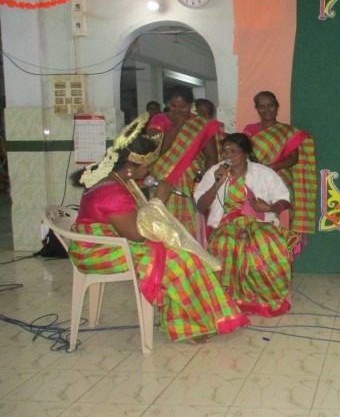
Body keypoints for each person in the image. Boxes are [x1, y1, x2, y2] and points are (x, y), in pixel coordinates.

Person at [69, 114, 249, 343]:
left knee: (182, 252)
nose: (150, 171)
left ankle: (198, 320)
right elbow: (135, 234)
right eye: (147, 167)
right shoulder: (112, 192)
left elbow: (135, 224)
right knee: (178, 261)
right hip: (97, 250)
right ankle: (189, 326)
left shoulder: (118, 179)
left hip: (112, 241)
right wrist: (159, 200)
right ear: (129, 168)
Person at [194, 133, 298, 317]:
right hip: (226, 222)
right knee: (226, 243)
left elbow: (284, 200)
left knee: (266, 242)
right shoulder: (215, 172)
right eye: (225, 151)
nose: (228, 156)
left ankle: (266, 297)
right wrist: (217, 184)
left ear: (246, 154)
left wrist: (270, 207)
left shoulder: (263, 173)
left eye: (233, 152)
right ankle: (227, 301)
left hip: (258, 221)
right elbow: (201, 206)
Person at [147, 85, 220, 240]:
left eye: (183, 107)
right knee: (162, 217)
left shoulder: (200, 124)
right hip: (162, 179)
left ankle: (189, 250)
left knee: (190, 219)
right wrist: (177, 127)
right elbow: (156, 150)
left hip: (190, 181)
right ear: (168, 104)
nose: (178, 111)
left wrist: (206, 182)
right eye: (174, 106)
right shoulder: (160, 120)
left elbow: (211, 157)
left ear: (190, 105)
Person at [242, 91, 317, 236]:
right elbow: (244, 155)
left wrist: (270, 168)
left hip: (281, 178)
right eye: (262, 106)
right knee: (254, 216)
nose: (267, 110)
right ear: (257, 108)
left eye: (270, 105)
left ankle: (282, 244)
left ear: (277, 106)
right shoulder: (249, 130)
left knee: (282, 216)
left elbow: (293, 159)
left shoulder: (288, 132)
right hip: (255, 179)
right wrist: (259, 171)